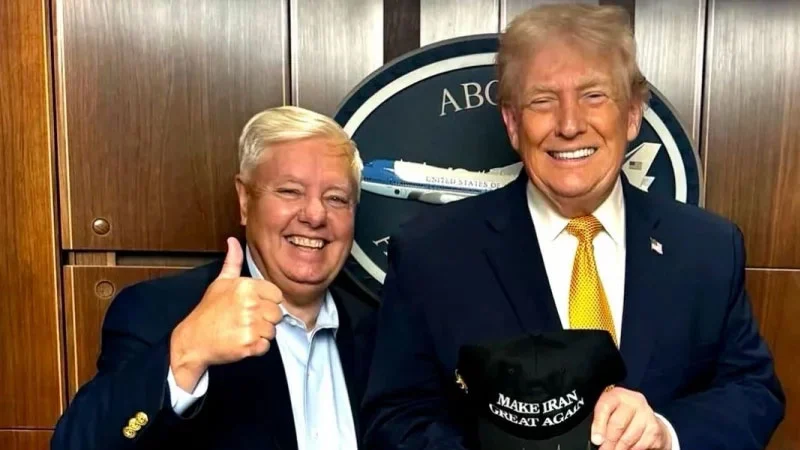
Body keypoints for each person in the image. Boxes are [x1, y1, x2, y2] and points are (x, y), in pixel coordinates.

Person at [362, 4, 785, 450]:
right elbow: (394, 420)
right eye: (542, 100)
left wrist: (666, 433)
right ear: (512, 123)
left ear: (633, 114)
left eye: (594, 96)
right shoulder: (432, 254)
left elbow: (753, 391)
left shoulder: (708, 248)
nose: (569, 125)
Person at [52, 106, 376, 450]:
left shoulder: (378, 330)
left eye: (336, 198)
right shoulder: (161, 312)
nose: (315, 214)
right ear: (244, 200)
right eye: (290, 191)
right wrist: (187, 352)